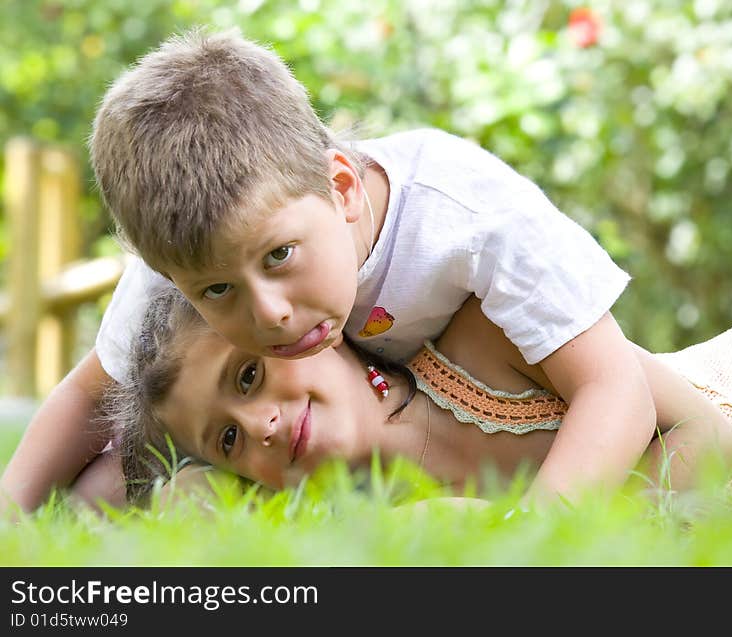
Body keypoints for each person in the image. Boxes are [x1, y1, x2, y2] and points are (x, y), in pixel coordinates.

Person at [1, 27, 658, 512]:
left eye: (280, 256)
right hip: (297, 431)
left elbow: (614, 386)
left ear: (341, 186)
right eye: (219, 291)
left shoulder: (468, 218)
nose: (270, 313)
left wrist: (530, 534)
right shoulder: (182, 257)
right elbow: (90, 396)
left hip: (463, 402)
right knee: (110, 480)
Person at [116, 287, 732, 508]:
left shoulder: (480, 335)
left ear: (304, 330)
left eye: (248, 376)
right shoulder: (369, 529)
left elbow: (710, 436)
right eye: (226, 441)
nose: (260, 426)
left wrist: (532, 537)